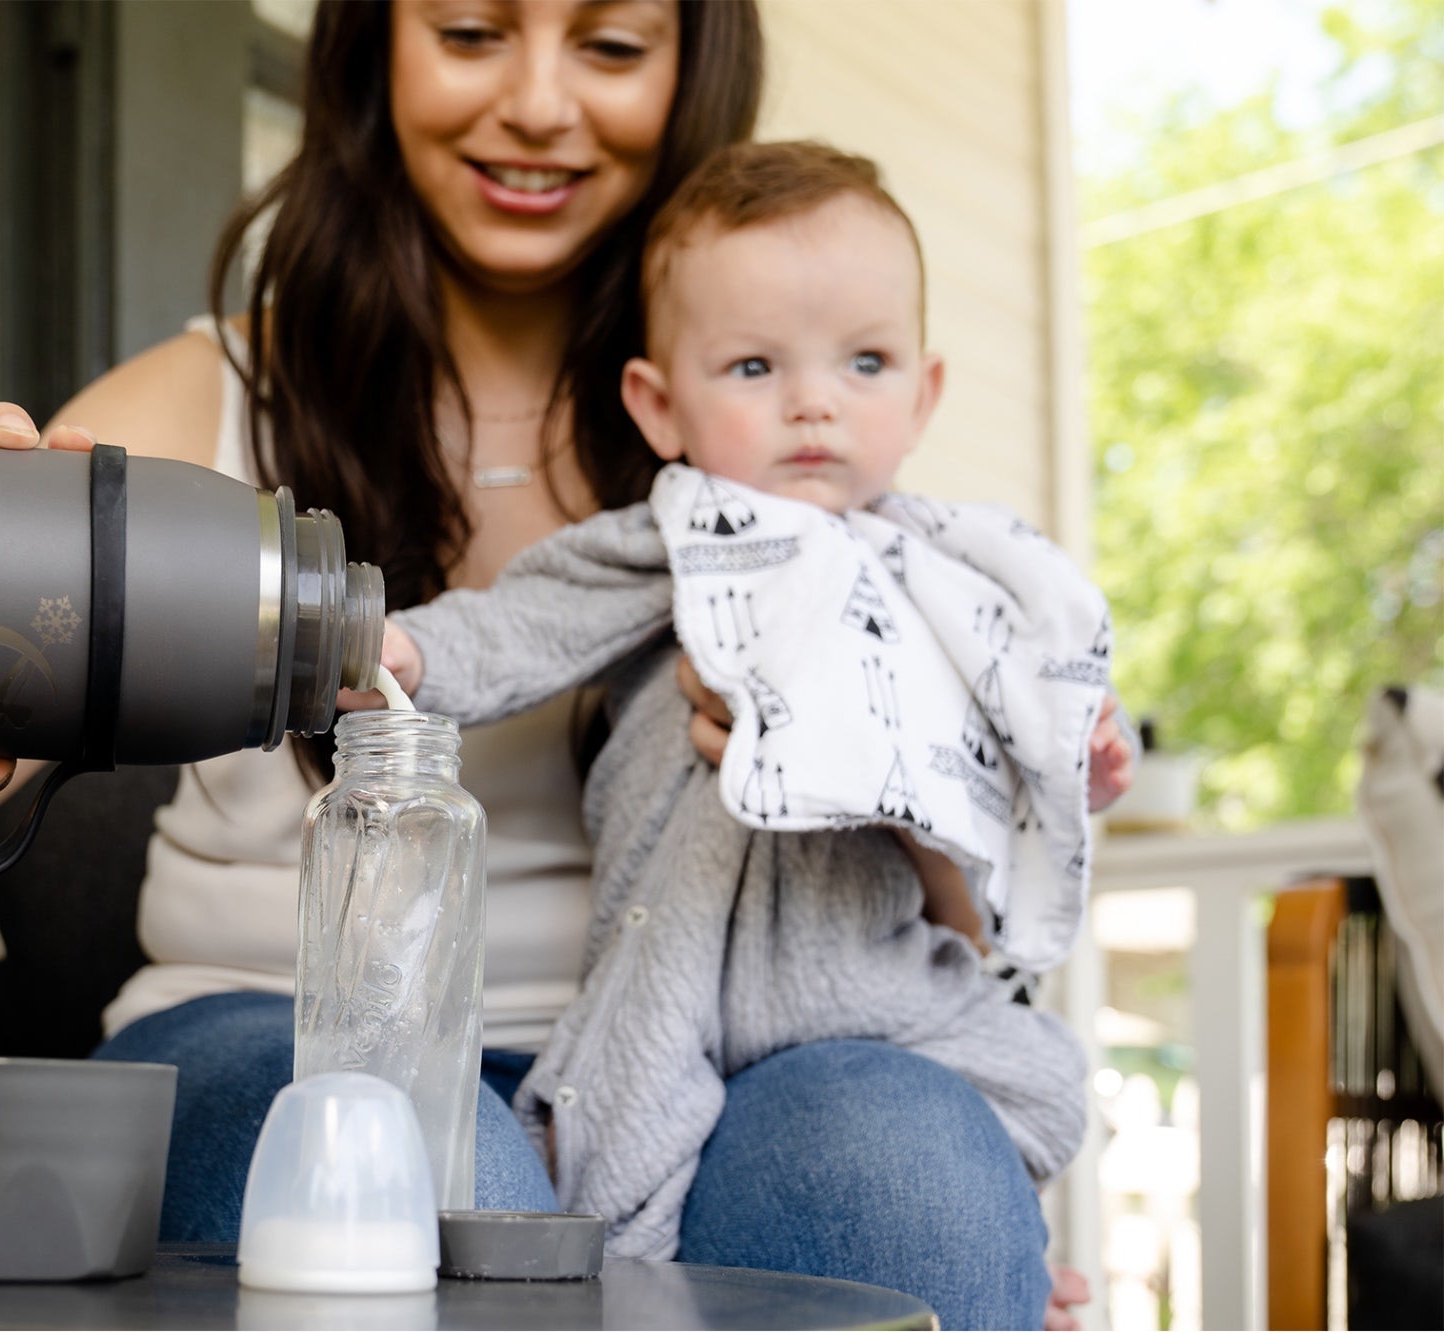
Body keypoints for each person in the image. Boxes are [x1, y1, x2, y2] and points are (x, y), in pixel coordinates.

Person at [0, 4, 1095, 1326]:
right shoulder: (196, 404)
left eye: (611, 47)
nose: (537, 104)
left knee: (910, 1177)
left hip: (716, 1047)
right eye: (469, 31)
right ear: (375, 51)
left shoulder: (780, 437)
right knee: (429, 1198)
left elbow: (950, 917)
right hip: (272, 1022)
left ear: (692, 74)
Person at [371, 138, 1135, 1261]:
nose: (814, 404)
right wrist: (403, 650)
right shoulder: (673, 546)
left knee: (1031, 1090)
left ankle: (1023, 1259)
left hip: (867, 981)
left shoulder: (949, 578)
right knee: (609, 1162)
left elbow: (1030, 699)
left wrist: (1076, 752)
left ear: (922, 394)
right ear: (658, 405)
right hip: (671, 965)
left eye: (865, 362)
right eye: (752, 368)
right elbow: (525, 621)